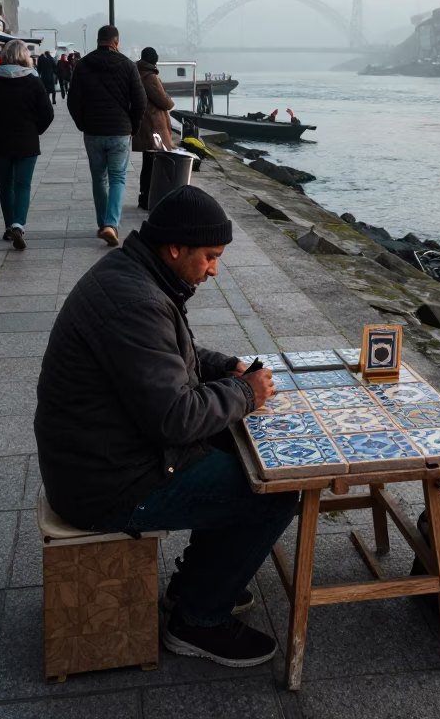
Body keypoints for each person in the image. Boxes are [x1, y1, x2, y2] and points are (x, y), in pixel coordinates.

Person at [34, 185, 295, 668]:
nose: (214, 269)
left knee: (236, 453)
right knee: (272, 490)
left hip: (101, 454)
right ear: (176, 248)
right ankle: (198, 620)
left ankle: (192, 587)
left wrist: (224, 368)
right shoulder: (136, 301)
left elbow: (170, 359)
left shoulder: (137, 275)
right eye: (211, 257)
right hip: (107, 483)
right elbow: (176, 419)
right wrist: (245, 393)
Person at [67, 24, 146, 246]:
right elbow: (140, 101)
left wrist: (82, 123)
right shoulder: (128, 65)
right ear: (116, 42)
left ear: (98, 40)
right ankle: (111, 224)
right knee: (118, 177)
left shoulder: (83, 65)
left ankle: (103, 224)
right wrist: (134, 125)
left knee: (98, 178)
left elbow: (73, 100)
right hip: (120, 130)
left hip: (93, 130)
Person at [0, 40, 55, 250]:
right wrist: (36, 130)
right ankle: (19, 224)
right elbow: (47, 113)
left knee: (5, 184)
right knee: (23, 184)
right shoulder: (34, 81)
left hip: (1, 141)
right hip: (27, 141)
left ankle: (9, 225)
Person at [133, 47, 176, 209]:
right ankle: (150, 198)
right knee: (153, 164)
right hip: (154, 127)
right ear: (152, 59)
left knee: (148, 163)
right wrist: (171, 103)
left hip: (145, 125)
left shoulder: (138, 73)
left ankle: (144, 197)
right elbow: (163, 100)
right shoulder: (150, 77)